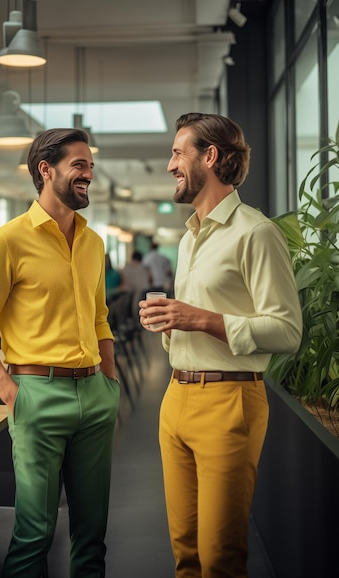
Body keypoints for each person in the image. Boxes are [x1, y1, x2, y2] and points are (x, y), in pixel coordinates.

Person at [139, 112, 302, 578]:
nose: (170, 164)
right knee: (185, 552)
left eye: (177, 153)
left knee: (220, 557)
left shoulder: (256, 232)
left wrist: (200, 319)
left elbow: (287, 330)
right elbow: (197, 321)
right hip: (176, 399)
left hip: (231, 402)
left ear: (210, 156)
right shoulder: (189, 238)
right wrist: (172, 325)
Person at [0, 128, 120, 578]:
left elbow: (100, 318)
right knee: (34, 533)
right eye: (79, 165)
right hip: (36, 396)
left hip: (95, 393)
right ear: (46, 170)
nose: (89, 173)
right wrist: (14, 395)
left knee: (92, 534)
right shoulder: (7, 241)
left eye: (90, 164)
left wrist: (111, 381)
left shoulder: (93, 242)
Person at [120, 250, 152, 320]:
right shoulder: (144, 268)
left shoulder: (126, 267)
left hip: (128, 294)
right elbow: (150, 279)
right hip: (142, 293)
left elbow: (123, 281)